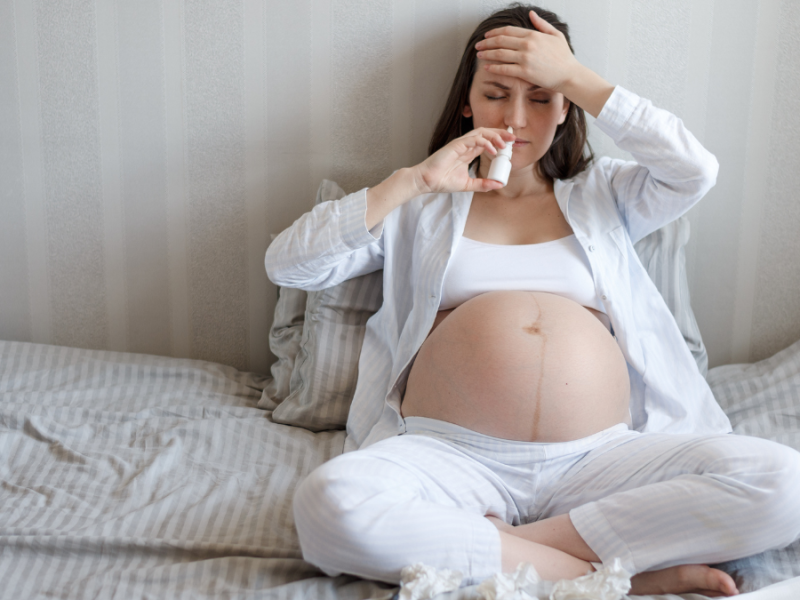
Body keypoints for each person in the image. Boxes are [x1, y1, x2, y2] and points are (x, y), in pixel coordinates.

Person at [266, 5, 800, 597]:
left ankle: (503, 547)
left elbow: (694, 170)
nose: (516, 119)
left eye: (543, 98)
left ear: (567, 105)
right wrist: (413, 181)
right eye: (496, 94)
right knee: (329, 505)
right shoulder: (421, 207)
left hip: (600, 461)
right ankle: (621, 579)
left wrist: (576, 76)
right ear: (466, 101)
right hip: (453, 454)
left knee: (783, 482)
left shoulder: (608, 194)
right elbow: (290, 263)